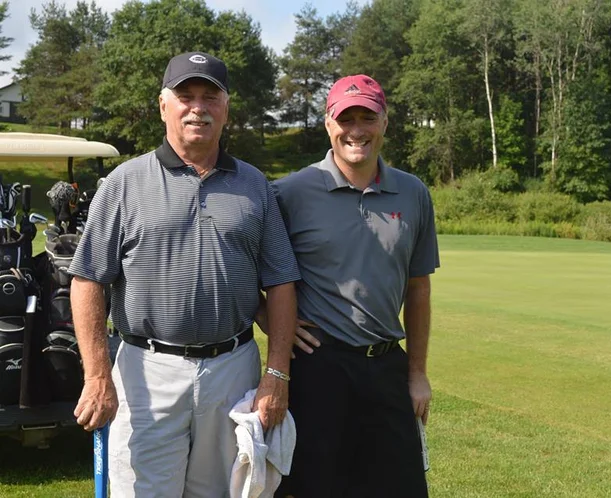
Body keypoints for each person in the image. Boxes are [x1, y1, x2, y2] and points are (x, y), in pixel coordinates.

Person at [69, 51, 299, 498]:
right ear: (163, 106)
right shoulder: (124, 182)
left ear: (226, 109)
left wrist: (278, 374)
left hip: (233, 369)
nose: (198, 107)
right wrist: (98, 375)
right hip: (146, 369)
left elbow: (281, 283)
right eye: (186, 96)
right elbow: (87, 280)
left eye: (210, 97)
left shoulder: (255, 185)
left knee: (225, 492)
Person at [265, 74, 440, 498]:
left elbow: (418, 288)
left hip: (386, 366)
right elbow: (252, 272)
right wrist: (268, 322)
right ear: (328, 123)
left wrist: (417, 374)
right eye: (346, 118)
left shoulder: (412, 192)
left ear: (384, 123)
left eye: (367, 117)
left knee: (401, 487)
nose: (356, 130)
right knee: (317, 486)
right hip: (319, 366)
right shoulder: (290, 192)